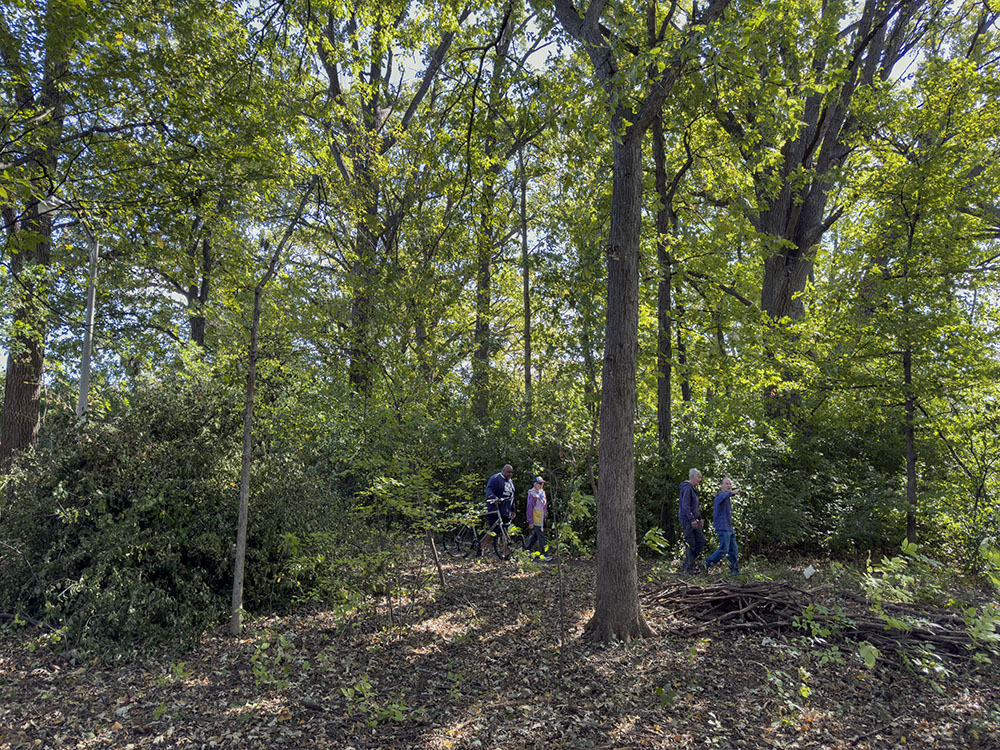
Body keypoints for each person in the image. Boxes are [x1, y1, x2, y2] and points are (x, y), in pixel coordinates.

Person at [471, 464, 514, 556]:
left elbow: (512, 497)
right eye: (508, 472)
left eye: (511, 472)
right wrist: (494, 498)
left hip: (506, 511)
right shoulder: (495, 478)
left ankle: (506, 552)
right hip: (494, 509)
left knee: (505, 530)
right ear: (503, 471)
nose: (510, 474)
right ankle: (481, 547)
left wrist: (513, 509)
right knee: (493, 531)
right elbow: (489, 490)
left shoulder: (510, 482)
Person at [705, 477, 740, 574]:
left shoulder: (727, 497)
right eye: (726, 484)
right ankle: (708, 562)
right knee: (724, 549)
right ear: (721, 485)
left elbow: (728, 496)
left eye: (730, 484)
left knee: (733, 549)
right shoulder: (719, 496)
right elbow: (725, 496)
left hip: (729, 527)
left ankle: (734, 571)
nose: (729, 486)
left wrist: (732, 494)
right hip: (722, 527)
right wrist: (732, 492)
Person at [679, 468, 704, 573]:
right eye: (698, 477)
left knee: (700, 541)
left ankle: (688, 563)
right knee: (690, 543)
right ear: (693, 477)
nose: (700, 480)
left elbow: (694, 507)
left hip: (694, 520)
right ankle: (688, 568)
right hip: (687, 520)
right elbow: (685, 506)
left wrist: (699, 518)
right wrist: (692, 520)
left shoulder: (694, 489)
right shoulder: (687, 488)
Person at [523, 476, 549, 559]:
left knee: (535, 535)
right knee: (541, 536)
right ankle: (544, 554)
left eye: (542, 483)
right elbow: (529, 508)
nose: (541, 485)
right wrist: (530, 521)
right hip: (536, 518)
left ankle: (524, 550)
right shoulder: (532, 494)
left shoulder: (542, 492)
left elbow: (544, 506)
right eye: (539, 483)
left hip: (542, 518)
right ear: (535, 484)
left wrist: (545, 516)